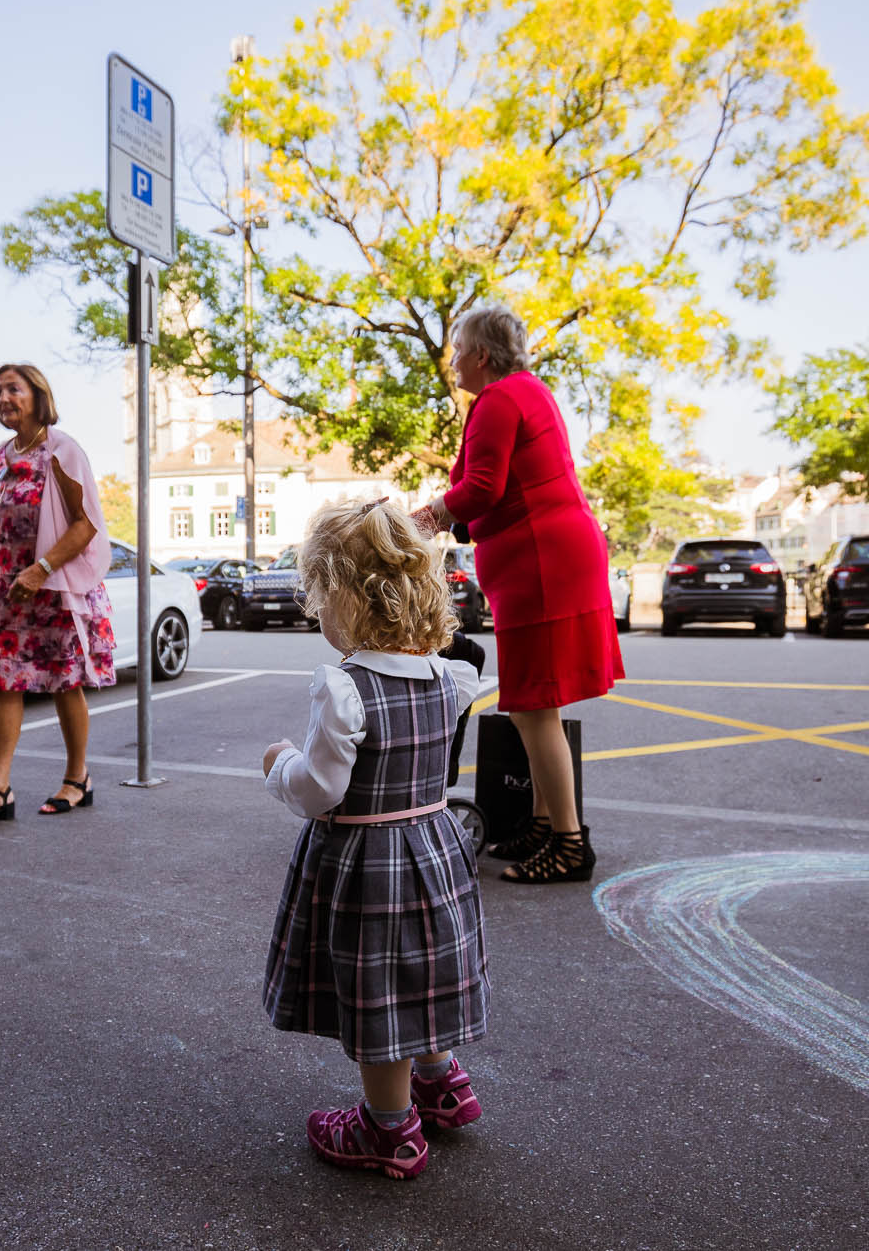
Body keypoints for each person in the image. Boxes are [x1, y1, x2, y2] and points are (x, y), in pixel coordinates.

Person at [259, 497, 486, 1181]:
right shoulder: (452, 677)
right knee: (423, 975)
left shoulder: (345, 688)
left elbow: (320, 790)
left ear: (349, 599)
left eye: (320, 596)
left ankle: (390, 1129)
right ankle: (443, 1082)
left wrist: (278, 767)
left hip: (370, 865)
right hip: (436, 850)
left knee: (381, 993)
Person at [413, 304, 624, 885]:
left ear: (481, 355)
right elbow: (487, 484)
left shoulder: (498, 400)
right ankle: (543, 820)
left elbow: (481, 487)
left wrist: (424, 519)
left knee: (531, 706)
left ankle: (568, 843)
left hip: (541, 561)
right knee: (541, 701)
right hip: (554, 553)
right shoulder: (527, 391)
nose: (453, 359)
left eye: (458, 349)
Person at [0, 364, 115, 828]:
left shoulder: (61, 449)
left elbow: (85, 525)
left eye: (12, 389)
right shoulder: (1, 456)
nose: (3, 398)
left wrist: (41, 570)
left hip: (51, 586)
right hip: (8, 590)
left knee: (65, 682)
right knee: (4, 682)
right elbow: (3, 518)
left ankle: (78, 779)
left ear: (38, 395)